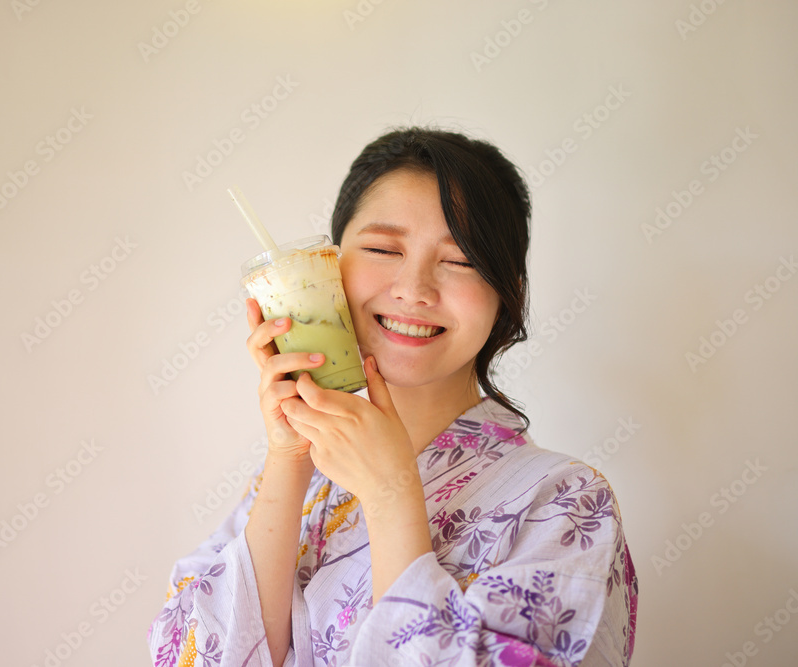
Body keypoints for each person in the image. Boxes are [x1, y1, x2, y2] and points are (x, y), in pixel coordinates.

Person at [148, 127, 637, 666]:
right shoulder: (292, 482)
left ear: (509, 293)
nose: (413, 289)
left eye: (460, 260)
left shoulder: (566, 503)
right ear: (330, 267)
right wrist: (288, 460)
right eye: (383, 249)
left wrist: (391, 495)